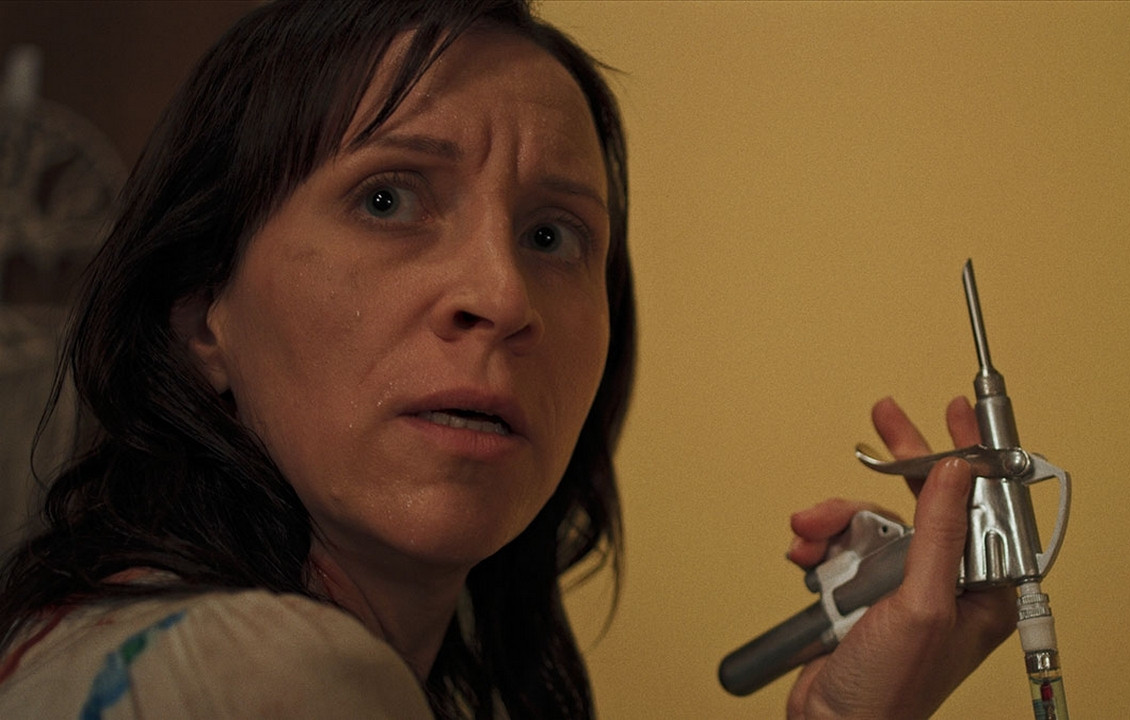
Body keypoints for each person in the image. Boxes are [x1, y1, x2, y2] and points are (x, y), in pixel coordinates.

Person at [0, 1, 1013, 718]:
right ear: (199, 314)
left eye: (551, 236)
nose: (501, 297)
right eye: (387, 200)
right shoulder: (264, 680)